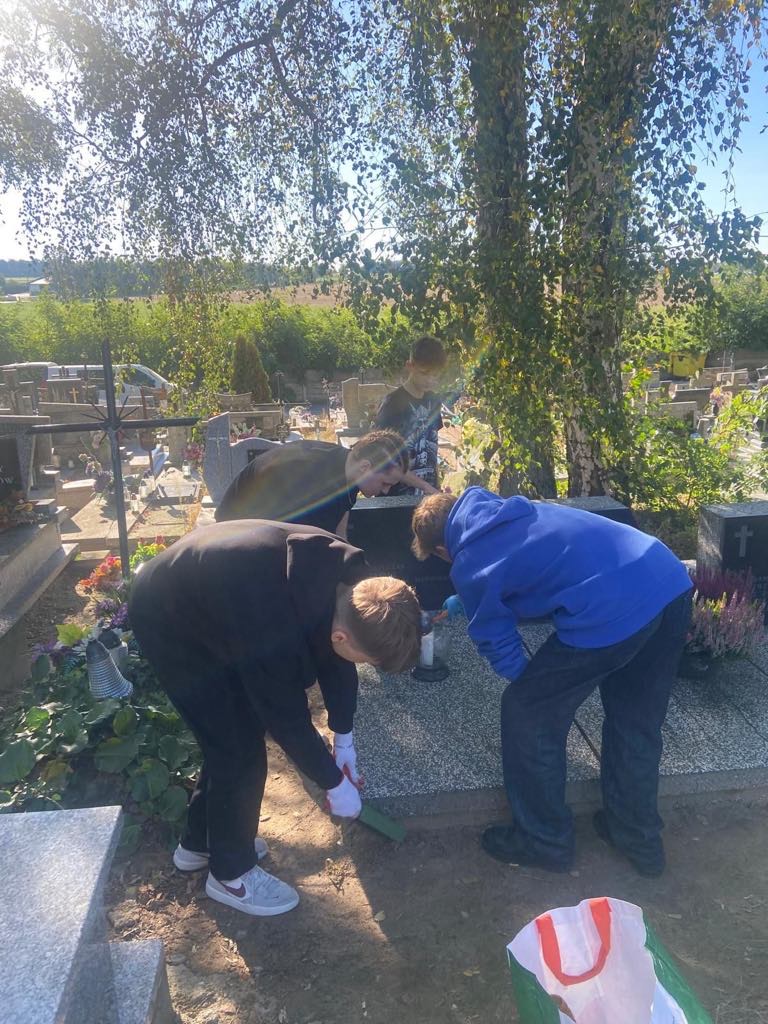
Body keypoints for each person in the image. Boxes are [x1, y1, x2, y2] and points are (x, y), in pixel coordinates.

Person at [129, 520, 421, 917]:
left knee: (232, 739)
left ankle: (200, 843)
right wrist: (333, 783)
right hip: (169, 618)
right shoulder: (270, 618)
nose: (361, 665)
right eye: (367, 659)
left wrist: (345, 739)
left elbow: (336, 661)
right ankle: (230, 875)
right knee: (237, 746)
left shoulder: (351, 585)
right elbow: (286, 718)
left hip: (211, 597)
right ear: (342, 637)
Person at [411, 488, 693, 878]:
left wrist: (532, 690)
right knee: (636, 721)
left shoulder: (468, 560)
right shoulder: (512, 512)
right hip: (666, 580)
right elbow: (547, 574)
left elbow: (497, 642)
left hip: (612, 607)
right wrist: (474, 599)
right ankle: (637, 837)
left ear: (442, 549)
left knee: (526, 712)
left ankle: (543, 841)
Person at [215, 429, 438, 538]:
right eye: (385, 483)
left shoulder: (349, 467)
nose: (386, 491)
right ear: (365, 467)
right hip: (235, 532)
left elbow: (339, 529)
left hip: (267, 526)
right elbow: (292, 542)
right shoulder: (313, 481)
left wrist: (350, 563)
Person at [375, 335, 447, 493]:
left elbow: (432, 448)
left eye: (435, 375)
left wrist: (435, 487)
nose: (430, 380)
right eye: (424, 373)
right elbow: (383, 460)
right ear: (410, 366)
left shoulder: (434, 401)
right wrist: (426, 487)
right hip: (396, 498)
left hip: (429, 494)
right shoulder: (391, 404)